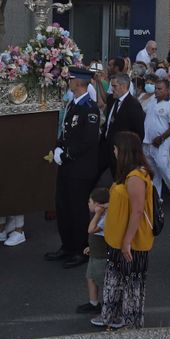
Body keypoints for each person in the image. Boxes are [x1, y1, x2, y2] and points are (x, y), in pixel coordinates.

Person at [93, 132, 154, 330]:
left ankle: (129, 323)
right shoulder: (129, 174)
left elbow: (137, 211)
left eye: (116, 148)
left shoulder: (136, 177)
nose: (114, 151)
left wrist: (127, 241)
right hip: (118, 239)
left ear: (124, 151)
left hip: (130, 242)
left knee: (130, 283)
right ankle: (112, 316)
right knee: (116, 280)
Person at [49, 68, 102, 268]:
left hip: (80, 168)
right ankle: (67, 246)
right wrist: (58, 147)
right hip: (67, 166)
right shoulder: (73, 103)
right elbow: (66, 130)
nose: (68, 82)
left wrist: (66, 154)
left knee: (78, 210)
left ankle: (81, 250)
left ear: (79, 82)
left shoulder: (89, 108)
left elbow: (88, 141)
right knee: (63, 206)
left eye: (70, 79)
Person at [141, 76, 170, 200]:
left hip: (161, 143)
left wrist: (161, 138)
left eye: (160, 89)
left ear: (167, 90)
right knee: (152, 171)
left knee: (163, 168)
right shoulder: (152, 101)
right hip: (147, 142)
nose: (156, 91)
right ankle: (156, 198)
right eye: (156, 88)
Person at [101, 74, 146, 178]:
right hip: (105, 148)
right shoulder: (111, 99)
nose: (112, 89)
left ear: (123, 86)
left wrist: (128, 153)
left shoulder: (133, 105)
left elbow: (139, 133)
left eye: (114, 86)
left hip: (122, 152)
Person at [76, 187, 110, 314]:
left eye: (90, 202)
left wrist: (98, 214)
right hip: (95, 254)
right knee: (90, 277)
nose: (88, 204)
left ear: (97, 205)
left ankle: (109, 306)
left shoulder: (105, 218)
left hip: (101, 256)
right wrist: (91, 247)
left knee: (102, 280)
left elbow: (91, 230)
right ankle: (93, 302)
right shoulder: (102, 215)